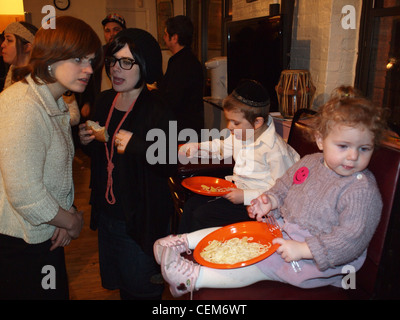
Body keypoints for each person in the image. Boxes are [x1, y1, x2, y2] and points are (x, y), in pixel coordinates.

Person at [154, 94, 387, 298]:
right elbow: (283, 187)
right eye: (343, 146)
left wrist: (304, 249)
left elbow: (350, 240)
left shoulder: (361, 190)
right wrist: (269, 200)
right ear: (320, 140)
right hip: (285, 230)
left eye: (364, 148)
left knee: (259, 261)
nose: (353, 156)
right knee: (240, 232)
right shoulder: (310, 163)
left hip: (317, 261)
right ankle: (183, 242)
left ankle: (194, 278)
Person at [0, 16, 102, 300]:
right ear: (50, 57)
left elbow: (52, 175)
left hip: (44, 233)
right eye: (79, 59)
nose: (89, 69)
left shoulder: (54, 101)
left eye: (91, 60)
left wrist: (66, 214)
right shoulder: (22, 104)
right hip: (20, 243)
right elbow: (25, 194)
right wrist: (70, 222)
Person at [78, 28, 177, 300]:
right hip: (108, 214)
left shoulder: (158, 108)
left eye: (126, 62)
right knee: (122, 287)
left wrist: (136, 145)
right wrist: (85, 142)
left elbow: (169, 163)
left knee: (142, 290)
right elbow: (102, 158)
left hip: (140, 221)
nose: (115, 70)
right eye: (112, 61)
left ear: (144, 65)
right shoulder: (105, 100)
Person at [177, 79, 299, 232]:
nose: (229, 127)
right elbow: (221, 147)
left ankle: (195, 252)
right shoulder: (242, 134)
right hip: (237, 192)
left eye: (235, 122)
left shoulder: (275, 150)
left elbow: (283, 191)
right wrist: (198, 147)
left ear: (257, 122)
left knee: (202, 216)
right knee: (192, 205)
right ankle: (180, 248)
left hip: (259, 208)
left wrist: (245, 196)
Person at [157, 15, 204, 141]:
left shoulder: (182, 64)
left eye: (166, 34)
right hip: (187, 127)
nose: (164, 37)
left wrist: (154, 93)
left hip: (183, 131)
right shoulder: (187, 59)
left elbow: (173, 99)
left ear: (175, 38)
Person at [1, 21, 37, 91]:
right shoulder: (12, 72)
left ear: (27, 47)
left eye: (9, 40)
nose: (2, 45)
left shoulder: (35, 82)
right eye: (4, 40)